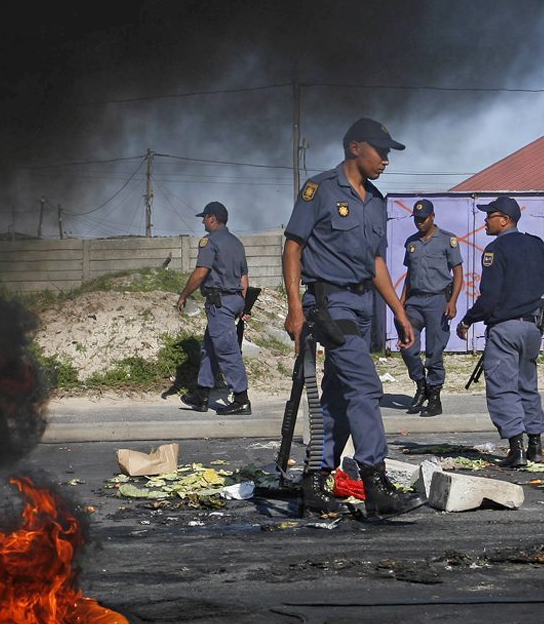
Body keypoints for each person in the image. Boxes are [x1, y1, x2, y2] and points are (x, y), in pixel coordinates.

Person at [283, 118, 422, 515]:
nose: (386, 160)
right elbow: (293, 248)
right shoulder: (321, 189)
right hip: (329, 303)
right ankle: (375, 481)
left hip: (362, 306)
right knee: (365, 386)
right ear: (355, 147)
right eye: (381, 151)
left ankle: (314, 480)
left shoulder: (376, 201)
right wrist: (295, 309)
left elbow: (376, 262)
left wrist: (399, 312)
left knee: (339, 396)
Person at [456, 196, 544, 468]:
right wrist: (529, 291)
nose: (485, 220)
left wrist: (467, 320)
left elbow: (489, 298)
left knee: (503, 388)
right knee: (527, 386)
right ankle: (535, 446)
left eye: (490, 216)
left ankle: (516, 450)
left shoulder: (495, 250)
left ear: (504, 220)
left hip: (505, 329)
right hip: (531, 329)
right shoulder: (535, 244)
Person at [177, 201, 251, 415]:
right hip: (234, 300)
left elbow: (201, 272)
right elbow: (244, 278)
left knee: (227, 351)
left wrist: (184, 295)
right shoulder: (237, 243)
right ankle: (201, 396)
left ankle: (241, 399)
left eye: (204, 218)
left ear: (212, 218)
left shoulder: (209, 241)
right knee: (210, 349)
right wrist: (242, 305)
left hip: (220, 304)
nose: (202, 222)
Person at [399, 198, 464, 416]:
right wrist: (401, 304)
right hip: (414, 302)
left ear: (432, 217)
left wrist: (452, 301)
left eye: (423, 218)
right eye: (416, 219)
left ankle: (434, 397)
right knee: (407, 347)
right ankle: (421, 385)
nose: (419, 222)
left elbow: (458, 273)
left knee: (434, 351)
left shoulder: (447, 240)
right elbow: (409, 275)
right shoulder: (411, 242)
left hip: (438, 301)